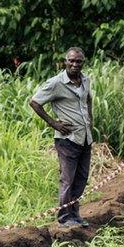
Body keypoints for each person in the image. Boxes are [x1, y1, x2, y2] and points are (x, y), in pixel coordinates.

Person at [30, 47, 93, 228]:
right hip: (67, 139)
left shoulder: (85, 80)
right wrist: (53, 123)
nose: (74, 64)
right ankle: (64, 218)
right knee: (67, 179)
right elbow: (35, 102)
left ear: (83, 62)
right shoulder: (56, 83)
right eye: (71, 61)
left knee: (81, 177)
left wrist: (91, 124)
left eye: (78, 61)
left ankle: (75, 214)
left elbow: (88, 100)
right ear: (65, 62)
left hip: (85, 137)